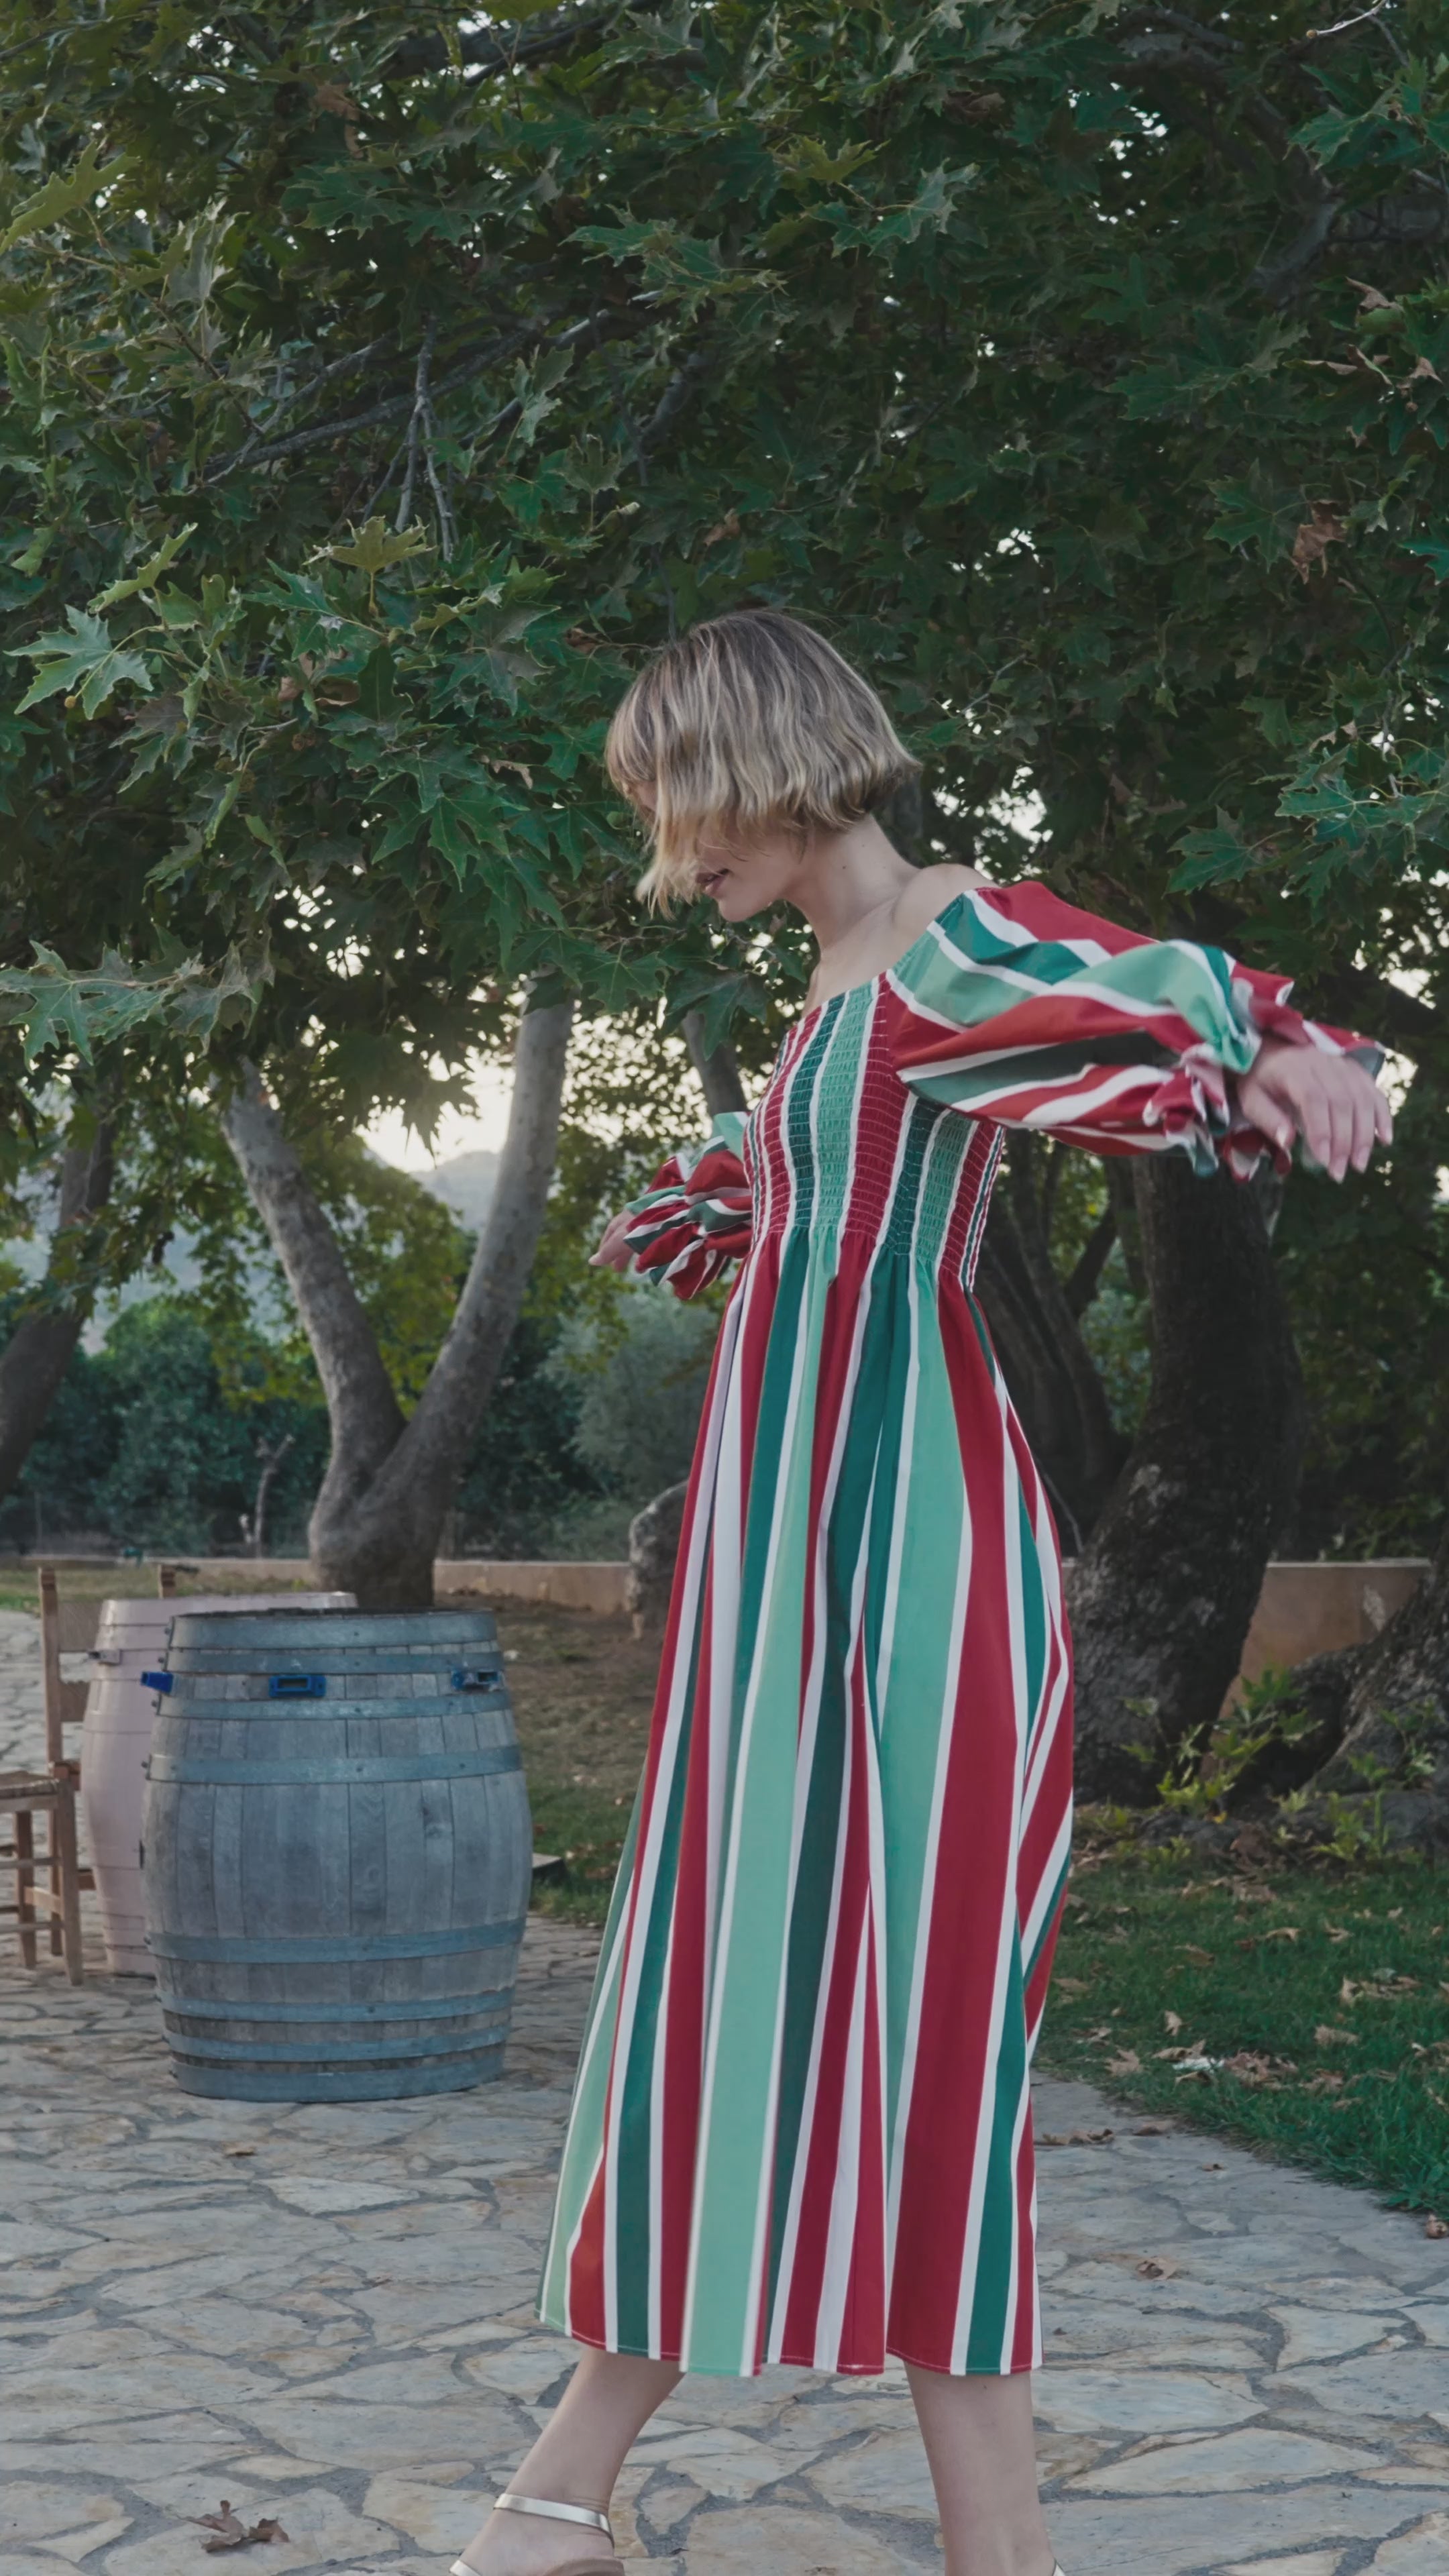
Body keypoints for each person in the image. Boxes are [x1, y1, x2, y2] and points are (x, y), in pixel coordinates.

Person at [449, 610, 1389, 2576]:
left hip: (906, 1556)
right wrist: (727, 1195)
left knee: (927, 2022)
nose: (668, 857)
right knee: (733, 1986)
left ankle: (905, 2541)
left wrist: (1279, 1047)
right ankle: (563, 2493)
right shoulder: (838, 981)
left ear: (762, 763)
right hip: (785, 1556)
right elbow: (826, 1176)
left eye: (677, 806)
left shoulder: (946, 934)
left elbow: (1129, 994)